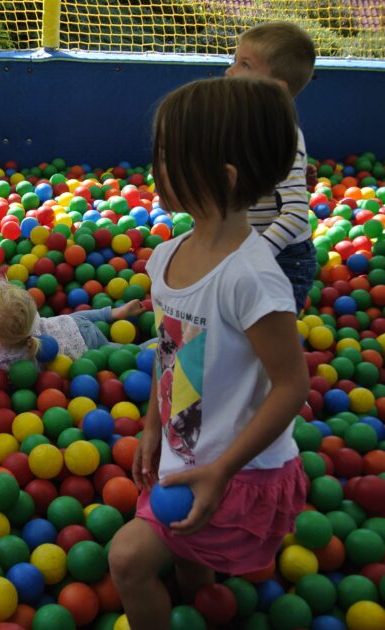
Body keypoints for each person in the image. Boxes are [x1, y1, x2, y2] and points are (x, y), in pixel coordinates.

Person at [107, 77, 310, 629]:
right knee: (188, 562)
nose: (155, 167)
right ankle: (198, 596)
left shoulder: (251, 277)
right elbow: (171, 351)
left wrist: (223, 468)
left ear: (223, 178)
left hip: (238, 468)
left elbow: (293, 385)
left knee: (127, 559)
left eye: (170, 156)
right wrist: (152, 425)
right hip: (185, 450)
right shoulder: (166, 257)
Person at [225, 21, 318, 313]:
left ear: (274, 90)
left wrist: (254, 255)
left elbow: (295, 215)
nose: (229, 71)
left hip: (282, 259)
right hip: (241, 248)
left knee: (266, 338)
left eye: (245, 65)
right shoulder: (239, 127)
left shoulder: (281, 135)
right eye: (234, 60)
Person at [0, 278, 145, 369]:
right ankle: (115, 313)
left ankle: (151, 347)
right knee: (85, 322)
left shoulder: (6, 359)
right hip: (74, 323)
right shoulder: (23, 321)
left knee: (128, 354)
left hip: (88, 347)